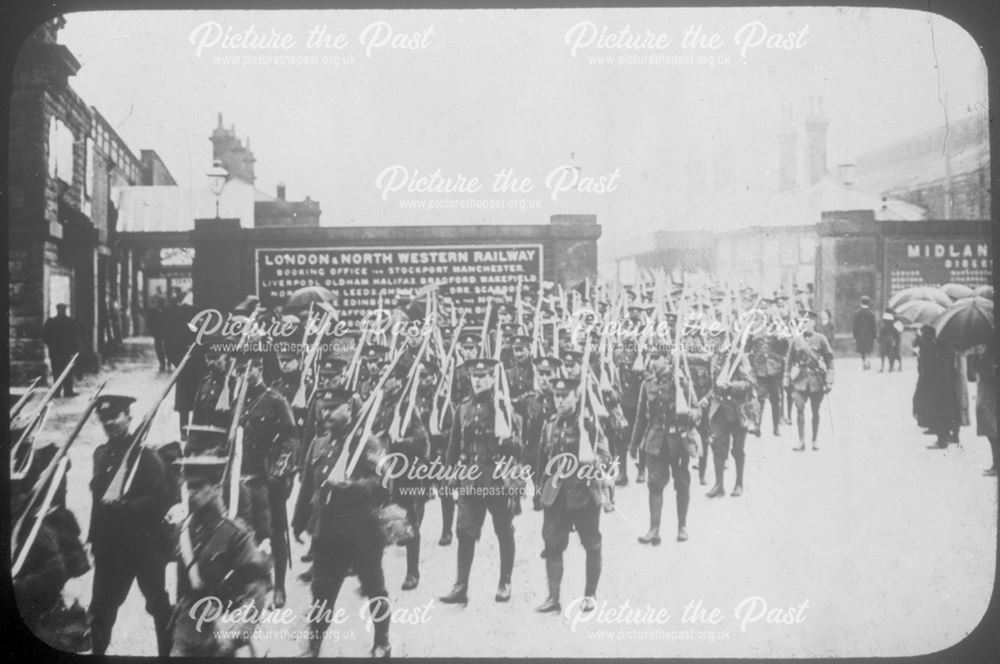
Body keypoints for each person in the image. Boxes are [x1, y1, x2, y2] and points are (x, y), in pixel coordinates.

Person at [87, 394, 175, 656]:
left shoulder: (147, 457)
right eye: (104, 419)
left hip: (144, 545)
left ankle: (167, 655)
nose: (110, 422)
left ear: (128, 417)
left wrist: (127, 506)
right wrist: (94, 540)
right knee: (101, 610)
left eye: (115, 416)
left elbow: (161, 500)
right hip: (110, 548)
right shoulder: (101, 455)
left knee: (158, 605)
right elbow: (97, 504)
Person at [306, 409, 393, 657]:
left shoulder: (368, 442)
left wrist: (352, 488)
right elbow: (308, 481)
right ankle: (314, 646)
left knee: (375, 588)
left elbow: (385, 484)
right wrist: (300, 519)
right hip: (328, 534)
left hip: (362, 534)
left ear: (350, 408)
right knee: (322, 593)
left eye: (335, 407)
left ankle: (382, 642)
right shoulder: (319, 443)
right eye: (324, 406)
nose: (326, 412)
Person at [167, 456, 271, 657]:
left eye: (197, 486)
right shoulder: (184, 530)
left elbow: (256, 589)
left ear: (215, 487)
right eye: (187, 486)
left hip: (220, 635)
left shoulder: (235, 534)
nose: (190, 493)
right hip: (187, 632)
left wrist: (234, 638)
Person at [440, 358, 523, 605]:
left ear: (492, 378)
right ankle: (460, 585)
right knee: (465, 532)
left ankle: (504, 581)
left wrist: (507, 439)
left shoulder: (503, 407)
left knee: (503, 530)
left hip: (497, 479)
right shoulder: (462, 408)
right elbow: (454, 446)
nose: (478, 381)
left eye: (483, 376)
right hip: (470, 479)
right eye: (474, 377)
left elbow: (519, 445)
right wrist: (448, 473)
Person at [535, 378, 610, 614]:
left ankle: (590, 594)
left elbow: (605, 456)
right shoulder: (549, 424)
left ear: (575, 397)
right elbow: (541, 461)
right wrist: (539, 491)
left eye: (564, 395)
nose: (558, 400)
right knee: (553, 545)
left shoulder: (588, 424)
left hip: (584, 493)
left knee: (591, 544)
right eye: (556, 396)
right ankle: (553, 597)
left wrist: (593, 461)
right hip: (556, 495)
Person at [235, 349, 300, 609]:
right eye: (240, 369)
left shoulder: (275, 400)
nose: (245, 374)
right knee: (246, 531)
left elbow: (291, 439)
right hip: (242, 477)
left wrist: (278, 470)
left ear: (259, 368)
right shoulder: (234, 399)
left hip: (268, 478)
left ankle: (280, 586)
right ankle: (261, 579)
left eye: (249, 368)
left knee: (275, 533)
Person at [631, 349, 697, 541]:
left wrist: (689, 414)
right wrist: (634, 445)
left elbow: (696, 409)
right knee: (654, 485)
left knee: (682, 484)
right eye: (651, 359)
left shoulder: (681, 382)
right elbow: (640, 416)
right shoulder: (647, 384)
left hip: (678, 442)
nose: (653, 363)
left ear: (667, 359)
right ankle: (654, 529)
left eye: (657, 358)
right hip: (656, 442)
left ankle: (682, 526)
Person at [704, 341, 756, 496]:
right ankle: (719, 485)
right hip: (719, 409)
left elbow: (749, 382)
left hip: (737, 409)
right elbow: (714, 385)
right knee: (718, 446)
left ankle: (739, 483)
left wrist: (731, 385)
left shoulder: (739, 356)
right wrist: (707, 398)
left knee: (738, 449)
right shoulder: (716, 357)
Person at [784, 312, 835, 451]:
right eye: (803, 322)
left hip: (816, 381)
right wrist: (786, 379)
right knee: (799, 410)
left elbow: (830, 361)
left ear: (814, 323)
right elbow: (789, 361)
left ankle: (814, 440)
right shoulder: (796, 340)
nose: (806, 324)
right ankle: (801, 441)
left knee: (815, 411)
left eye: (809, 321)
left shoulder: (821, 339)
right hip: (799, 381)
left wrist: (829, 381)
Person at [972, 338, 998, 475]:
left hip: (991, 392)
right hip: (986, 390)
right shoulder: (988, 345)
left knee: (992, 427)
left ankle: (997, 466)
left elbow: (990, 371)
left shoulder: (993, 345)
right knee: (990, 428)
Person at [42, 304, 80, 397]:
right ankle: (67, 391)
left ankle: (58, 392)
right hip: (66, 351)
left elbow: (45, 337)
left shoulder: (51, 322)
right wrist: (74, 349)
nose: (62, 311)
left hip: (56, 352)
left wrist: (52, 345)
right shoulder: (70, 321)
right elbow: (75, 337)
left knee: (58, 371)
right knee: (66, 371)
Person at [852, 296, 877, 371]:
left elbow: (855, 326)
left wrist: (854, 336)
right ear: (868, 303)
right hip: (869, 336)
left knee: (862, 350)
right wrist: (875, 336)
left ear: (860, 303)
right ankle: (867, 363)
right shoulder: (871, 314)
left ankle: (864, 363)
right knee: (868, 349)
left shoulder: (857, 314)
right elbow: (873, 326)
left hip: (860, 335)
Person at [147, 298, 170, 372]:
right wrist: (152, 331)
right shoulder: (153, 311)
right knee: (159, 348)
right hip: (157, 333)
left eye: (162, 302)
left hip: (166, 332)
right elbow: (149, 321)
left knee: (168, 347)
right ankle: (162, 363)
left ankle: (169, 361)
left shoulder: (168, 310)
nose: (162, 304)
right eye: (160, 302)